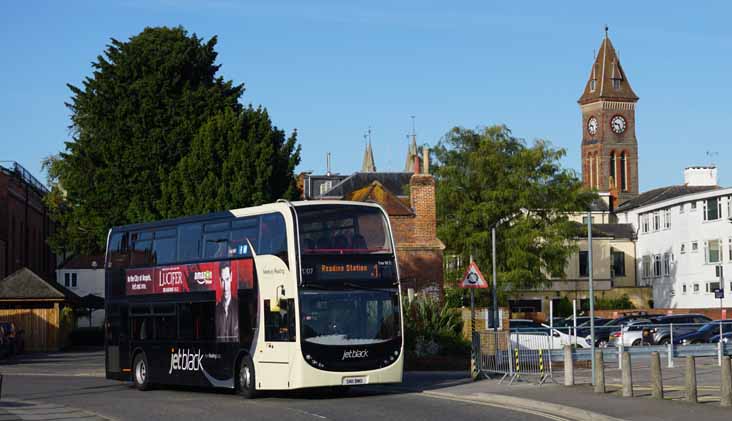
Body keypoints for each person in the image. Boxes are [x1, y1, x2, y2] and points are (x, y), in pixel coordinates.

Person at [216, 263, 239, 341]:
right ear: (219, 280)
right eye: (222, 280)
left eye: (227, 279)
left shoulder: (238, 307)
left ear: (231, 277)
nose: (225, 287)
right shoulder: (216, 309)